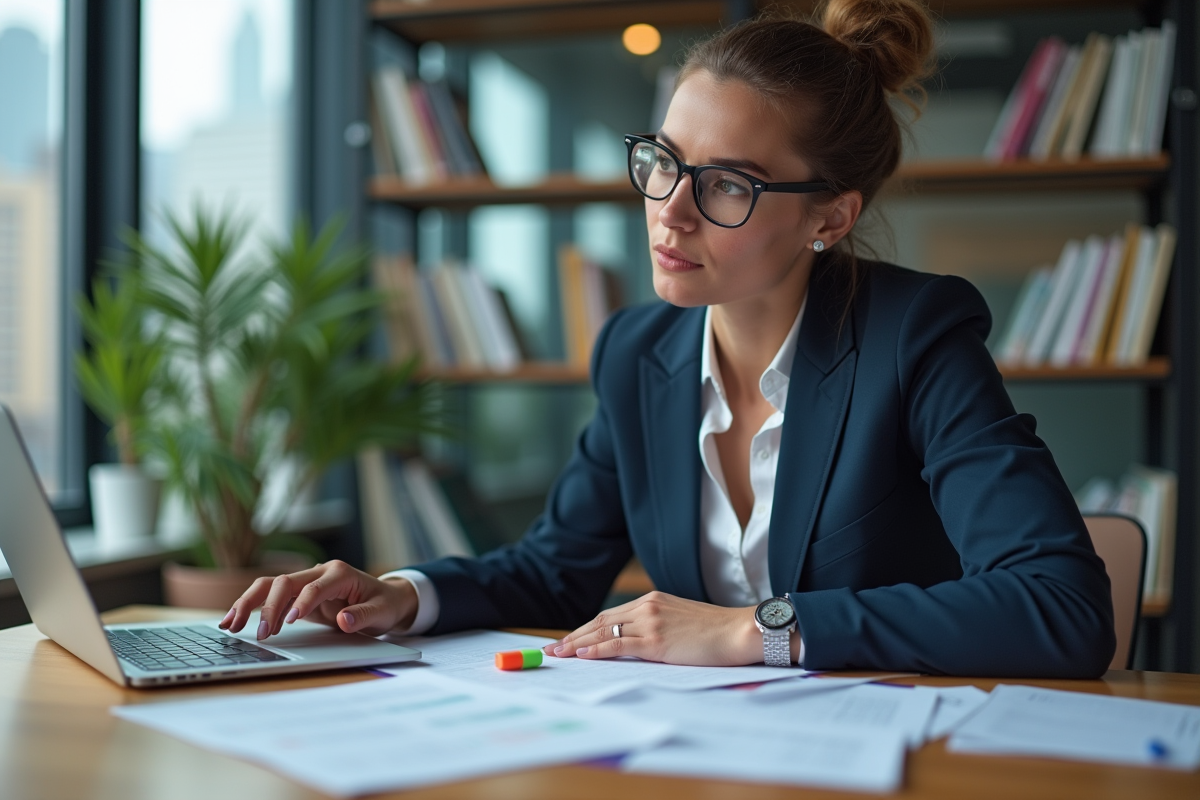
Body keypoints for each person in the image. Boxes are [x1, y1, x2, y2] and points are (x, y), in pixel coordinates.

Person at [222, 0, 1115, 677]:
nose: (670, 211)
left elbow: (1062, 607)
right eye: (664, 162)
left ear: (830, 218)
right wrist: (404, 594)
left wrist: (749, 629)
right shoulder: (638, 352)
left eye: (727, 184)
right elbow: (556, 569)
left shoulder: (912, 337)